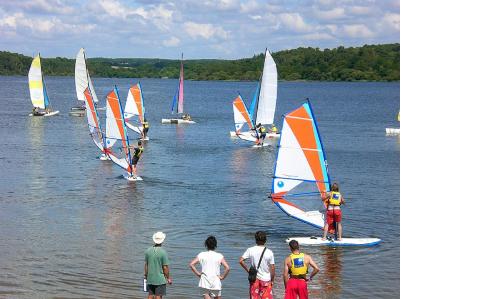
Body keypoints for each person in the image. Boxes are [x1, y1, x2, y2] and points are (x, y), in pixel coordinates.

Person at [239, 231, 275, 299]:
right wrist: (272, 280)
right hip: (266, 279)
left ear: (255, 240)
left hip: (254, 279)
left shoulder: (250, 250)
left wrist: (249, 270)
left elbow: (241, 261)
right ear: (265, 240)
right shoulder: (269, 252)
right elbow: (272, 268)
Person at [144, 232, 172, 299]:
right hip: (160, 279)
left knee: (150, 294)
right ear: (162, 241)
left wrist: (145, 275)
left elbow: (146, 265)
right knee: (158, 295)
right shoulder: (163, 252)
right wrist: (168, 278)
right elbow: (165, 267)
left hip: (150, 277)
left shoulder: (148, 251)